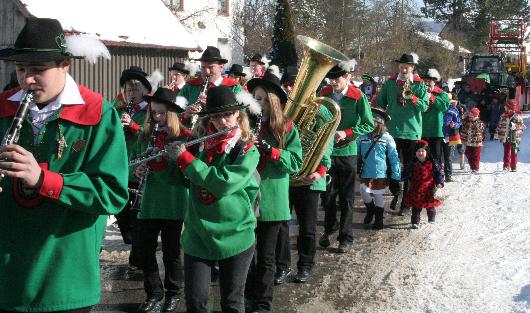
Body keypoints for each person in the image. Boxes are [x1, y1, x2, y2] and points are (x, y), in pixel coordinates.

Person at [0, 17, 128, 312]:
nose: (27, 79)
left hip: (65, 282)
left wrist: (44, 179)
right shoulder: (3, 106)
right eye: (21, 69)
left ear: (64, 66)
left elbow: (112, 194)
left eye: (37, 70)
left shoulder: (98, 112)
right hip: (8, 279)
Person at [167, 86, 260, 313]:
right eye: (216, 116)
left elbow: (223, 184)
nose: (222, 122)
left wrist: (187, 161)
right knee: (196, 303)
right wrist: (164, 162)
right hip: (198, 235)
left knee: (231, 303)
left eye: (227, 115)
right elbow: (182, 181)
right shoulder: (199, 142)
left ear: (238, 114)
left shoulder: (247, 150)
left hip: (236, 234)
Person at [245, 70, 303, 312]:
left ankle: (263, 303)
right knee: (246, 256)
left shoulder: (287, 128)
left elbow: (295, 163)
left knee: (267, 258)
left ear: (272, 101)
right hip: (247, 200)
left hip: (271, 201)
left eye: (261, 99)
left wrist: (272, 150)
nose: (257, 103)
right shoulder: (246, 124)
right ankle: (248, 296)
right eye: (254, 98)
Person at [130, 88, 190, 312]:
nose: (157, 118)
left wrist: (169, 161)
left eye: (162, 113)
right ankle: (154, 293)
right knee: (145, 250)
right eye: (154, 113)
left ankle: (174, 292)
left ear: (172, 113)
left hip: (173, 202)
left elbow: (186, 175)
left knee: (171, 252)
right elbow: (133, 160)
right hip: (148, 203)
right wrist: (137, 169)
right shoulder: (144, 135)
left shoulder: (185, 136)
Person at [319, 60, 375, 253]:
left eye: (336, 79)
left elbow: (369, 124)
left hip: (347, 152)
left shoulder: (358, 96)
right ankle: (330, 227)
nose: (333, 82)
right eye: (330, 79)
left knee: (346, 198)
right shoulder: (324, 94)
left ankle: (346, 237)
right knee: (327, 196)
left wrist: (347, 132)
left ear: (348, 77)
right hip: (326, 151)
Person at [376, 53, 429, 214]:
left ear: (412, 68)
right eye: (401, 66)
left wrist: (412, 97)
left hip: (411, 132)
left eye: (407, 66)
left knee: (409, 169)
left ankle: (406, 202)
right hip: (391, 131)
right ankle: (395, 190)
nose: (403, 68)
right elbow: (379, 104)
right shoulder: (390, 83)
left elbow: (424, 107)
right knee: (389, 165)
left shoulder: (419, 85)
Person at [114, 65, 153, 272]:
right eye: (128, 89)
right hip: (121, 167)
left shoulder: (151, 110)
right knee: (122, 211)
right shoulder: (118, 108)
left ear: (145, 90)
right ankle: (135, 243)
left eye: (136, 88)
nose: (131, 92)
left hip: (140, 167)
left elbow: (153, 135)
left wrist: (135, 127)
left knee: (138, 215)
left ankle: (137, 256)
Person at [357, 108, 401, 229]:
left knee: (378, 195)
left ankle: (379, 219)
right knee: (364, 192)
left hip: (380, 173)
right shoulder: (361, 136)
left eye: (373, 122)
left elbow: (394, 157)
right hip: (365, 171)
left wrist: (395, 175)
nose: (370, 124)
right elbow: (356, 154)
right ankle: (370, 210)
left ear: (380, 123)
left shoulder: (387, 138)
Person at [179, 46, 243, 128]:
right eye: (203, 67)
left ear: (221, 66)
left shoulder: (234, 87)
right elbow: (174, 113)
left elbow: (242, 116)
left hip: (223, 135)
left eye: (211, 67)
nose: (206, 72)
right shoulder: (189, 86)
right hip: (193, 135)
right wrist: (185, 115)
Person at [401, 140, 444, 228]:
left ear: (426, 152)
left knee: (430, 206)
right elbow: (406, 173)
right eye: (418, 151)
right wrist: (401, 177)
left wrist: (440, 182)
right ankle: (415, 222)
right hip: (416, 189)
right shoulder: (412, 164)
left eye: (422, 151)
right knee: (416, 207)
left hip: (429, 188)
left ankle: (431, 219)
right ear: (415, 153)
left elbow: (439, 173)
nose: (420, 153)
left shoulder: (433, 163)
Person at [420, 68, 451, 180]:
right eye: (425, 81)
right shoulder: (419, 92)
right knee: (422, 157)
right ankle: (423, 179)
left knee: (436, 157)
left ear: (435, 81)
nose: (427, 83)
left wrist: (431, 97)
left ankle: (437, 180)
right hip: (421, 130)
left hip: (435, 131)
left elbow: (444, 107)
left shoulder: (441, 93)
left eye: (430, 81)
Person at [495, 99, 526, 172]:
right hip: (505, 137)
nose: (504, 107)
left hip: (514, 138)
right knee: (506, 151)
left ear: (510, 107)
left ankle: (513, 167)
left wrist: (514, 126)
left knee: (514, 152)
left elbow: (522, 127)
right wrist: (497, 133)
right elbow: (500, 125)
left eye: (506, 106)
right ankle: (506, 166)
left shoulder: (517, 116)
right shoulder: (503, 115)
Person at [460, 108, 485, 172]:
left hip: (477, 142)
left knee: (476, 155)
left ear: (475, 115)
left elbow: (480, 128)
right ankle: (472, 166)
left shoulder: (479, 122)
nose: (470, 116)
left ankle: (475, 168)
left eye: (471, 115)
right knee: (467, 153)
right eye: (469, 114)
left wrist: (474, 120)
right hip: (469, 142)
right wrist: (464, 116)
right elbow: (461, 121)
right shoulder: (466, 121)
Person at [443, 96, 463, 170]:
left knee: (448, 156)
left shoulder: (454, 110)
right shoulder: (439, 109)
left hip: (450, 135)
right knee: (438, 156)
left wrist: (454, 125)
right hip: (438, 135)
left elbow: (459, 122)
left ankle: (448, 175)